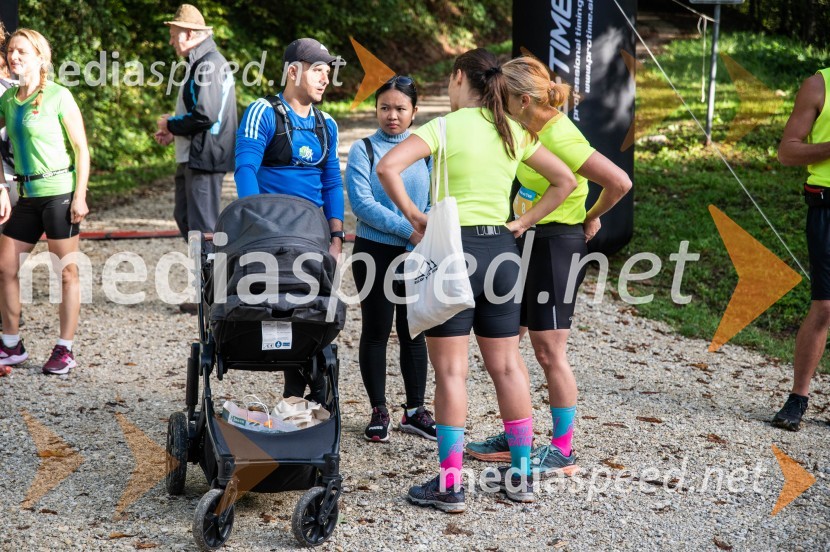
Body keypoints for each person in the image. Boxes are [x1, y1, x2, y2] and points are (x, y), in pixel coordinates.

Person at [377, 48, 577, 512]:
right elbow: (565, 181)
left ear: (458, 78)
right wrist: (522, 223)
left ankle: (450, 484)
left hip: (454, 250)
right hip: (503, 253)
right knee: (507, 366)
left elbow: (387, 167)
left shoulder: (445, 126)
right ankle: (521, 476)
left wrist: (413, 216)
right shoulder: (512, 129)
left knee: (451, 371)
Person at [465, 56, 632, 474]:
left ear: (524, 100)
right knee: (510, 341)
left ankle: (563, 449)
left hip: (557, 244)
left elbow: (619, 182)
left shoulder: (561, 136)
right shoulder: (524, 128)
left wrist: (591, 216)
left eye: (502, 98)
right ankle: (517, 435)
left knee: (549, 350)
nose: (496, 105)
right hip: (527, 240)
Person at [235, 38, 344, 401]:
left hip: (313, 234)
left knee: (314, 309)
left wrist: (337, 236)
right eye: (318, 71)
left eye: (328, 72)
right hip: (271, 232)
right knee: (281, 305)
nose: (325, 79)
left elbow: (332, 181)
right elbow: (246, 169)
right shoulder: (262, 112)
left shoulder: (326, 124)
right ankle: (296, 388)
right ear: (293, 71)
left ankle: (306, 384)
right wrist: (256, 224)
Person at [346, 76, 435, 442]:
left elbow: (432, 200)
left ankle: (415, 411)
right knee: (376, 330)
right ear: (376, 109)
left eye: (400, 108)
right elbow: (362, 204)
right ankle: (378, 410)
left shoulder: (425, 152)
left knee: (414, 330)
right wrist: (407, 230)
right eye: (385, 108)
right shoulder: (363, 150)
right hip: (374, 252)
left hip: (416, 253)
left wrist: (420, 237)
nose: (392, 115)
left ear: (414, 111)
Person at [0, 29, 88, 376]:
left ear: (40, 57)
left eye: (22, 51)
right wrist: (1, 187)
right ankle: (11, 344)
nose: (14, 56)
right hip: (26, 196)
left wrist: (80, 195)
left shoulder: (59, 95)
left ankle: (65, 349)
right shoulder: (8, 99)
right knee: (5, 268)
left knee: (66, 273)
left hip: (59, 193)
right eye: (11, 51)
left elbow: (81, 149)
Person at [155, 3, 237, 315]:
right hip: (193, 154)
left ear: (190, 34)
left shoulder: (209, 64)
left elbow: (205, 114)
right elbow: (198, 112)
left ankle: (215, 297)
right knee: (186, 219)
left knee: (203, 229)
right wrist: (174, 131)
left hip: (204, 157)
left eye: (174, 34)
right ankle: (208, 290)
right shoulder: (200, 62)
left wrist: (171, 125)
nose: (170, 40)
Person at [772, 68, 830, 431]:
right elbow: (787, 151)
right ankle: (798, 397)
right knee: (825, 306)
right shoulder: (819, 84)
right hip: (826, 206)